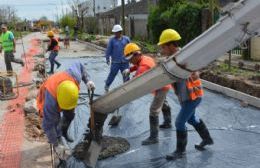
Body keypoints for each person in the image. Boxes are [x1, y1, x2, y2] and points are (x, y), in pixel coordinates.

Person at [158, 29, 214, 160]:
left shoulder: (185, 57)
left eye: (164, 46)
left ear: (172, 45)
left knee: (179, 122)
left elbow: (192, 69)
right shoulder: (173, 59)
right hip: (186, 97)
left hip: (193, 97)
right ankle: (207, 139)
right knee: (191, 119)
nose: (162, 49)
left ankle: (180, 151)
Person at [36, 62, 95, 160]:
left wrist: (88, 80)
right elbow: (47, 125)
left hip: (64, 91)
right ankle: (58, 138)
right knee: (54, 121)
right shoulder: (50, 103)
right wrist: (55, 145)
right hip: (49, 90)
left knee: (70, 115)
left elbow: (79, 65)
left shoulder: (75, 75)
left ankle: (63, 132)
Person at [123, 43, 172, 145]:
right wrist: (130, 69)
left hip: (160, 87)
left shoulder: (143, 66)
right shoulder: (145, 58)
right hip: (161, 83)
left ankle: (154, 137)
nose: (130, 62)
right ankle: (168, 123)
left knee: (153, 110)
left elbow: (135, 81)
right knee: (164, 103)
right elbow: (137, 65)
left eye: (131, 59)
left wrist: (125, 88)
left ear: (136, 54)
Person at [104, 24, 130, 92]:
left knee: (126, 75)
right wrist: (107, 58)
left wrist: (131, 57)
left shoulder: (126, 39)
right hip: (115, 62)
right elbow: (108, 49)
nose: (115, 34)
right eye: (114, 32)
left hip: (125, 62)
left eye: (116, 32)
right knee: (112, 74)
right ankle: (107, 85)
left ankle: (127, 87)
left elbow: (130, 48)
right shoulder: (112, 40)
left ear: (120, 32)